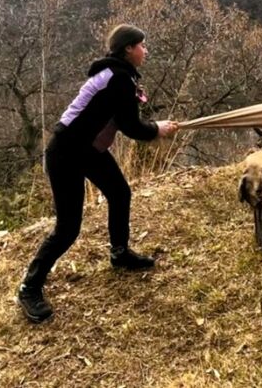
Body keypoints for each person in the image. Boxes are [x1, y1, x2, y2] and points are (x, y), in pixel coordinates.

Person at [17, 24, 179, 323]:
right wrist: (158, 129)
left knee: (120, 193)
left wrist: (157, 127)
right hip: (66, 153)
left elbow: (124, 118)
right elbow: (132, 127)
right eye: (142, 45)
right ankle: (29, 287)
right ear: (128, 48)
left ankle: (119, 253)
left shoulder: (119, 75)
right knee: (68, 228)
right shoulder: (117, 78)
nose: (146, 51)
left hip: (88, 150)